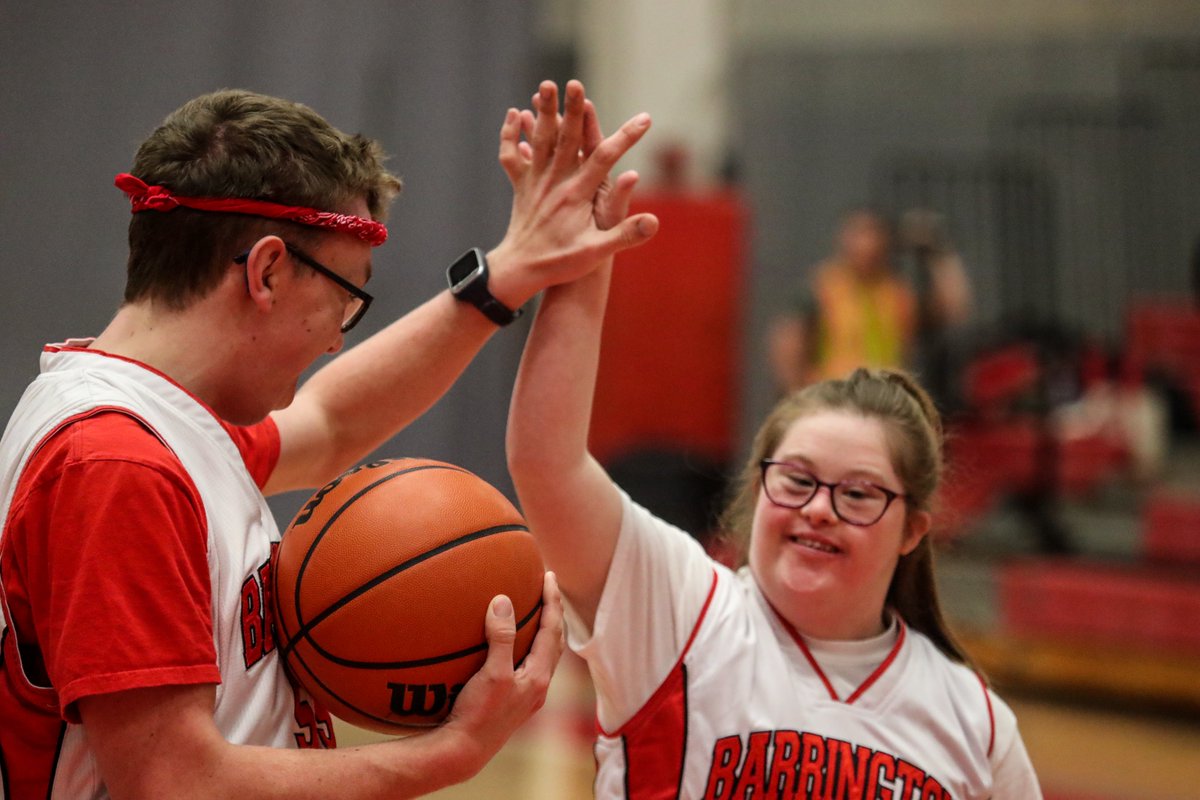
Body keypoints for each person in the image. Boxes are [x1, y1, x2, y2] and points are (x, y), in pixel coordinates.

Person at [0, 81, 658, 799]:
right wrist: (455, 752)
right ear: (269, 271)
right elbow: (173, 781)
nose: (338, 337)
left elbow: (332, 423)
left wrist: (506, 275)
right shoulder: (118, 465)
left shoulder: (153, 422)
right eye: (347, 297)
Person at [507, 262, 1042, 794]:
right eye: (796, 480)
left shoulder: (976, 724)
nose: (819, 509)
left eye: (857, 493)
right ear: (758, 488)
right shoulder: (682, 612)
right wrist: (584, 263)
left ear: (912, 530)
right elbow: (547, 463)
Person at [769, 208, 916, 392]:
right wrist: (794, 392)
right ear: (844, 238)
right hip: (834, 393)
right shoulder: (824, 287)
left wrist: (939, 255)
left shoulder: (897, 292)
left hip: (885, 395)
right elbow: (788, 340)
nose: (866, 243)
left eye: (873, 233)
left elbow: (951, 310)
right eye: (859, 233)